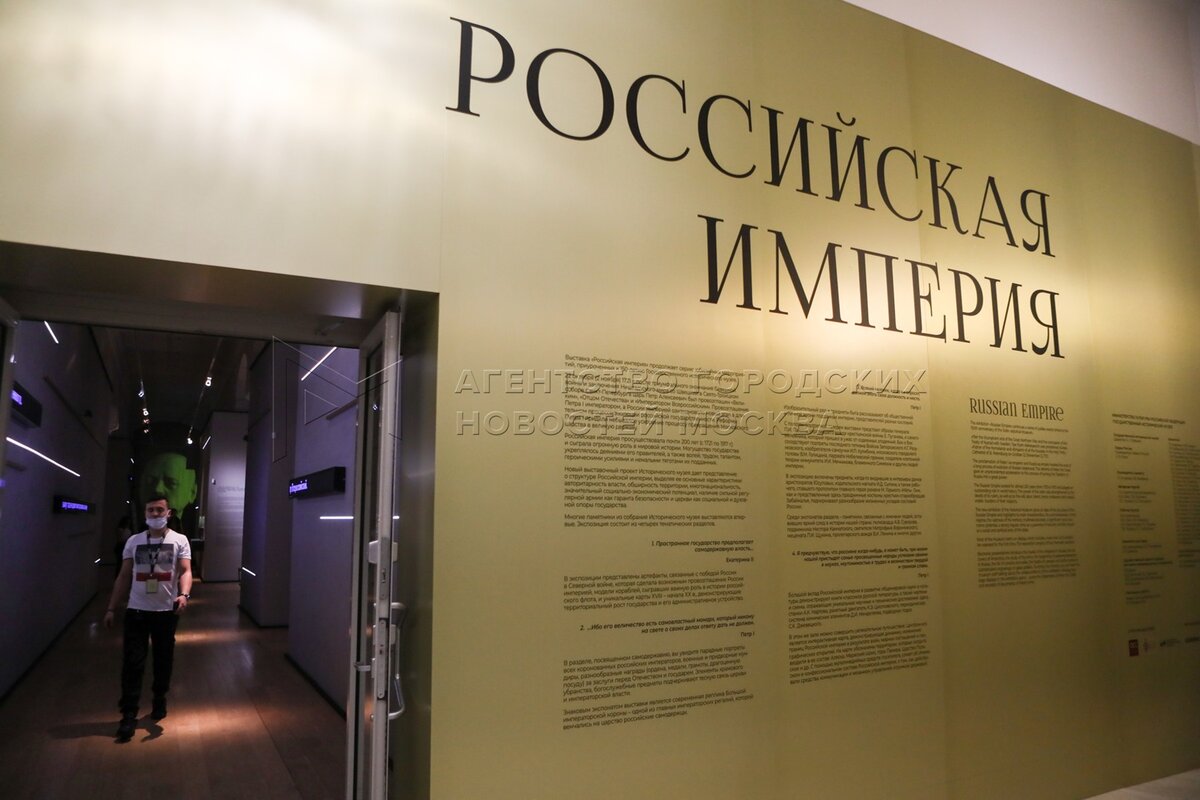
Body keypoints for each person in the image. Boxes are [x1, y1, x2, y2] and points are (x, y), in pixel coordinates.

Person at [104, 495, 193, 741]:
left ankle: (159, 697)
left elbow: (186, 571)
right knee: (133, 663)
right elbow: (124, 576)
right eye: (151, 510)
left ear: (169, 513)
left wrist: (184, 594)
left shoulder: (179, 540)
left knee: (163, 660)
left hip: (166, 612)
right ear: (145, 514)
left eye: (159, 510)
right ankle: (128, 714)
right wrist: (111, 608)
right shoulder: (134, 541)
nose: (155, 514)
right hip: (137, 611)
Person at [137, 451, 198, 533]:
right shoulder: (136, 538)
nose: (158, 489)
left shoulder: (181, 537)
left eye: (171, 483)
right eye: (150, 481)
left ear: (192, 492)